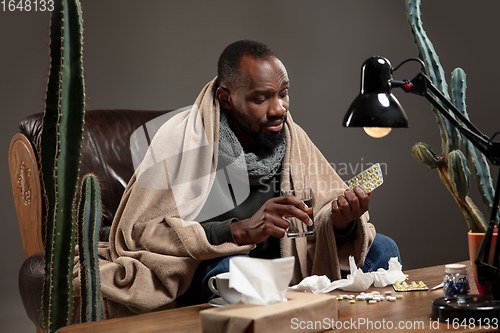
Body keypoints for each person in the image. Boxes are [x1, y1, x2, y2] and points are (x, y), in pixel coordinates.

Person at [82, 39, 400, 318]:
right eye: (261, 98)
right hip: (222, 264)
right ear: (226, 97)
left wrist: (341, 221)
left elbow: (322, 213)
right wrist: (238, 230)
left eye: (283, 94)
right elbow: (139, 231)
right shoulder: (181, 139)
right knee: (231, 275)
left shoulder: (291, 135)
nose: (278, 109)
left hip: (291, 265)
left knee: (384, 248)